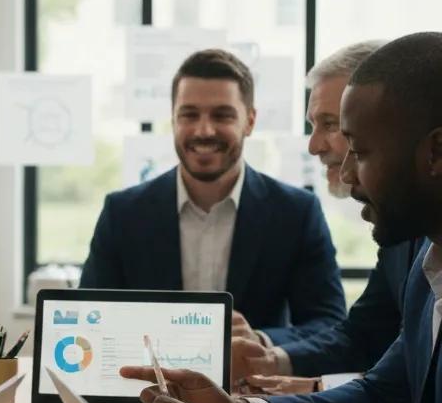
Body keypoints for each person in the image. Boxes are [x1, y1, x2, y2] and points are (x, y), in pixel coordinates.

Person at [121, 31, 442, 403]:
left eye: (361, 151)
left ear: (436, 153)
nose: (348, 175)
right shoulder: (428, 259)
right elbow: (386, 396)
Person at [80, 48, 346, 344]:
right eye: (189, 115)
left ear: (250, 121)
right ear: (173, 120)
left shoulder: (296, 213)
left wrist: (259, 341)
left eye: (222, 115)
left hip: (249, 388)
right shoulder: (122, 214)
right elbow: (90, 318)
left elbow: (329, 323)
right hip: (145, 385)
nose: (204, 130)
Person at [232, 40, 422, 394]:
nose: (314, 145)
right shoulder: (401, 226)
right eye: (313, 125)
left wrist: (314, 388)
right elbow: (364, 336)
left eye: (332, 125)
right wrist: (271, 362)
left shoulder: (412, 222)